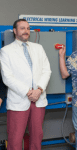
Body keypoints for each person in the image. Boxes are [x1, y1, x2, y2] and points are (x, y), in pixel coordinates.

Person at [0, 19, 51, 150]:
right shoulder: (6, 51)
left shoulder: (38, 48)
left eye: (28, 28)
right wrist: (28, 92)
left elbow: (47, 70)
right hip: (19, 99)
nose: (26, 31)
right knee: (15, 138)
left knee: (37, 137)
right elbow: (7, 77)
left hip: (38, 99)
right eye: (22, 28)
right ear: (15, 31)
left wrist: (39, 90)